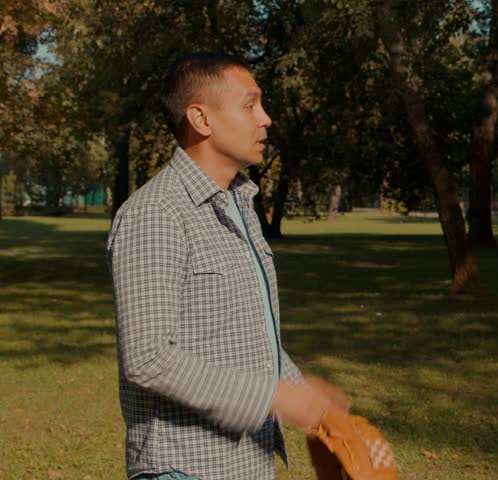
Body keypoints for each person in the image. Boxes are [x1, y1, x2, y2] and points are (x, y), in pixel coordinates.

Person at [108, 52, 346, 480]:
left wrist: (309, 402)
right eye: (250, 105)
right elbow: (147, 358)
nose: (266, 119)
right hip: (184, 469)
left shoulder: (238, 203)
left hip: (243, 465)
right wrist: (274, 396)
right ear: (201, 118)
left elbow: (246, 332)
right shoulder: (156, 213)